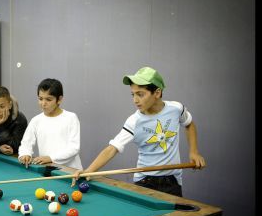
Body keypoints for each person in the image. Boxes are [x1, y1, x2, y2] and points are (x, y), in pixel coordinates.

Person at [72, 66, 206, 197]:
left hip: (174, 180)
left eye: (140, 94)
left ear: (157, 93)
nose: (135, 100)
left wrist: (194, 152)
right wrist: (89, 171)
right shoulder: (134, 121)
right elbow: (112, 148)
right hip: (145, 181)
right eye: (133, 94)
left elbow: (189, 124)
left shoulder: (176, 109)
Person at [18, 78, 83, 169]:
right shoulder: (36, 120)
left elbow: (74, 148)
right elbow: (26, 143)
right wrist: (25, 154)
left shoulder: (71, 118)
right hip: (48, 170)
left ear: (59, 99)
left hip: (71, 171)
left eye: (48, 99)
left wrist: (51, 158)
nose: (43, 103)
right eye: (40, 99)